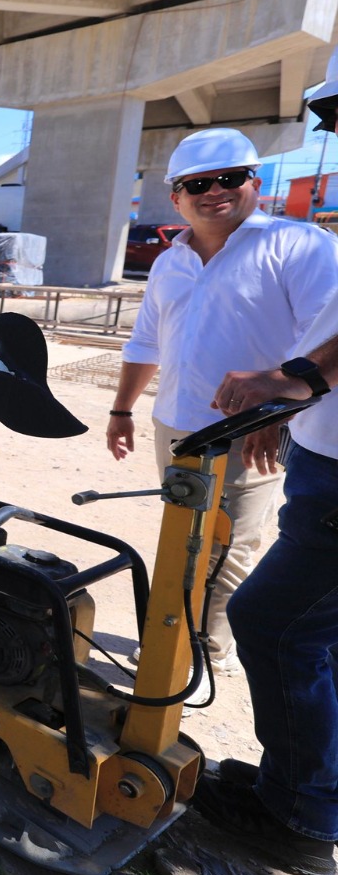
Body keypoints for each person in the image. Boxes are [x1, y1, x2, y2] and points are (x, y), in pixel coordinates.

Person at [108, 128, 338, 673]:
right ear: (177, 197)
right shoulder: (169, 261)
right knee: (181, 538)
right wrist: (122, 410)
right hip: (175, 426)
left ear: (254, 183)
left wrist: (279, 410)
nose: (214, 191)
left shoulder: (299, 246)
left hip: (253, 430)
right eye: (198, 184)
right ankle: (169, 641)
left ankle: (206, 655)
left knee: (228, 545)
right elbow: (145, 342)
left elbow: (326, 340)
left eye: (229, 178)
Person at [190, 58, 338, 875]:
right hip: (321, 454)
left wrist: (291, 382)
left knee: (275, 623)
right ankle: (309, 787)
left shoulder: (294, 242)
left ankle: (301, 816)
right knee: (317, 633)